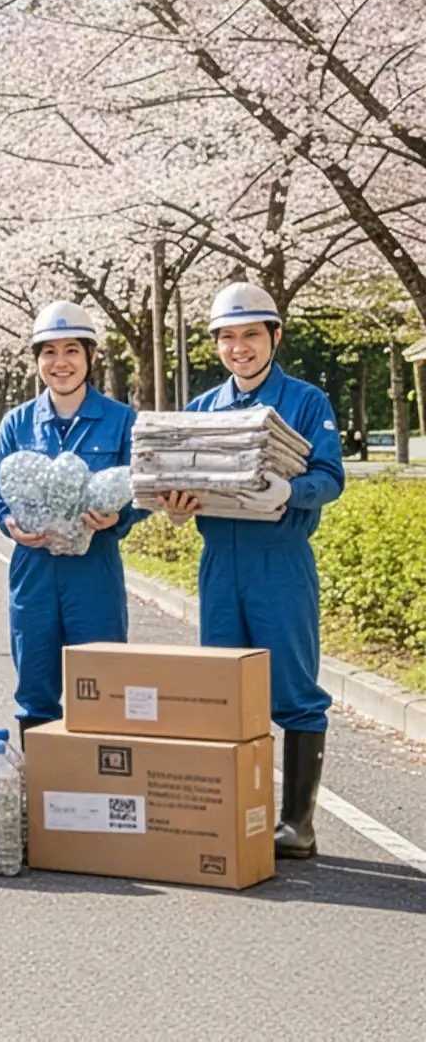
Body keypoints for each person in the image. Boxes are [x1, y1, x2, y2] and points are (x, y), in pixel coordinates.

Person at [156, 281, 345, 859]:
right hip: (219, 564)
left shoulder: (307, 401)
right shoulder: (201, 410)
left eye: (251, 336)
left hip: (279, 561)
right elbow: (179, 478)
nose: (240, 348)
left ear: (274, 337)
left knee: (293, 692)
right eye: (228, 338)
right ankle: (236, 811)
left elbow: (331, 478)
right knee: (223, 691)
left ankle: (298, 824)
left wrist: (289, 490)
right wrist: (175, 508)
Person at [0, 301, 141, 739]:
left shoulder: (121, 420)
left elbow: (142, 489)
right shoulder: (18, 422)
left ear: (91, 356)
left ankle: (97, 791)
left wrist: (118, 517)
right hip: (33, 568)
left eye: (72, 350)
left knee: (102, 680)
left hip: (95, 568)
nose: (60, 363)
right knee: (35, 687)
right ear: (37, 361)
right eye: (48, 352)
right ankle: (43, 794)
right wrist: (9, 524)